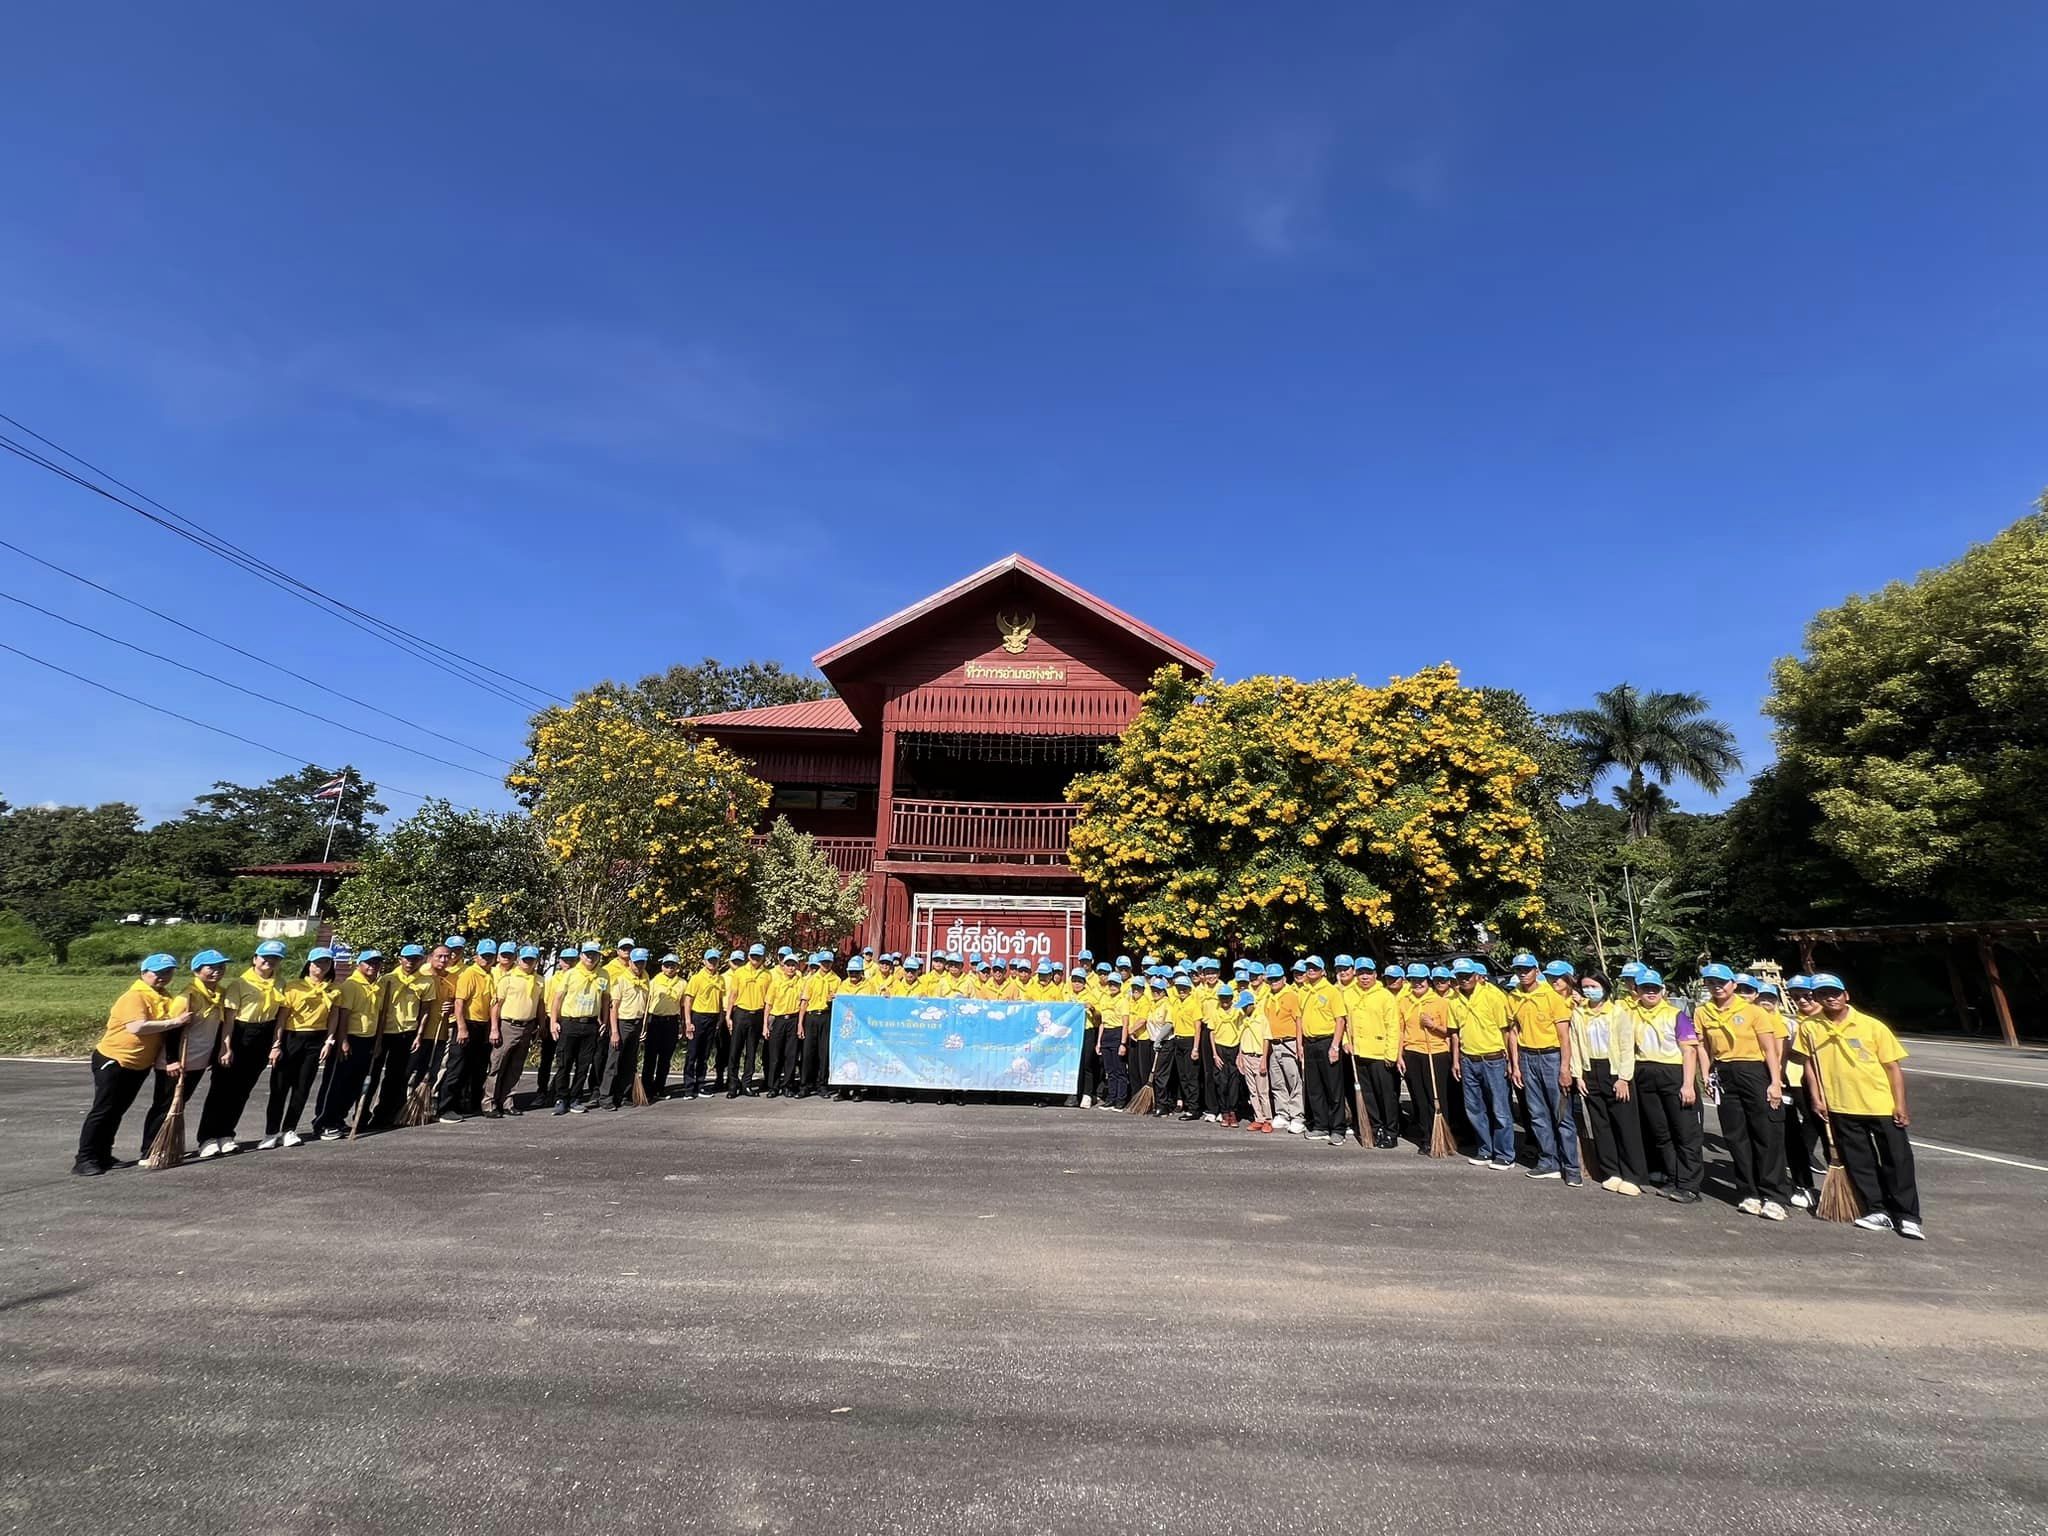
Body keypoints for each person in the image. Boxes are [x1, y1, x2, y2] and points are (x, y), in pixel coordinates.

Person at [1793, 974, 1923, 1239]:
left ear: (1846, 995)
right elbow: (1809, 1064)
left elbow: (1892, 1067)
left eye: (1834, 992)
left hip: (1880, 1105)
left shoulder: (1872, 1026)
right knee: (1859, 1162)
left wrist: (1900, 1104)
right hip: (1840, 1105)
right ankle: (1877, 1209)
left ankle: (1907, 1215)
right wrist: (1816, 1097)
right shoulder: (1810, 1027)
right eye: (1823, 994)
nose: (1830, 998)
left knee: (1897, 1160)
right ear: (1816, 998)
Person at [74, 954, 189, 1175]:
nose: (163, 976)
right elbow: (136, 1027)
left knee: (117, 1110)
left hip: (139, 1064)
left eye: (168, 972)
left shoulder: (164, 996)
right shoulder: (135, 996)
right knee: (103, 1109)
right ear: (144, 973)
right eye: (158, 972)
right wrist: (174, 1022)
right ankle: (84, 1158)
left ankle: (104, 1154)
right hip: (115, 1059)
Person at [1695, 964, 1791, 1220]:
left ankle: (1774, 1195)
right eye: (1711, 982)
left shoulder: (1753, 1011)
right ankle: (1749, 1191)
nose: (1717, 987)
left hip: (1753, 1071)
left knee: (1766, 1133)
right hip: (1724, 1072)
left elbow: (1770, 1049)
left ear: (1733, 985)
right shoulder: (1702, 1012)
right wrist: (1706, 1074)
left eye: (1721, 982)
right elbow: (1703, 1046)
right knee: (1736, 1134)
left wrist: (1775, 1082)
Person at [196, 940, 287, 1158]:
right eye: (265, 957)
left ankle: (227, 1134)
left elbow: (279, 1018)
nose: (269, 961)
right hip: (239, 1034)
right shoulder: (239, 984)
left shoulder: (281, 983)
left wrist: (276, 1044)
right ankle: (207, 1138)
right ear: (255, 958)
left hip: (263, 1035)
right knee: (221, 1090)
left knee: (242, 1091)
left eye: (275, 958)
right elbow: (229, 1020)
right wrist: (226, 1047)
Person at [1627, 969, 1705, 1203]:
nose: (1650, 992)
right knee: (1661, 1132)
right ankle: (1673, 1178)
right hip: (1645, 1072)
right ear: (1637, 990)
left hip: (1673, 1072)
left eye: (1654, 988)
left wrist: (1688, 1084)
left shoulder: (1675, 1014)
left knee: (1685, 1132)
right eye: (1645, 988)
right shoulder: (1631, 1014)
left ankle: (1689, 1185)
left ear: (1662, 990)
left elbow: (1689, 1051)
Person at [1566, 971, 1644, 1195]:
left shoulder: (1617, 1012)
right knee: (1601, 1125)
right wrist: (1578, 1075)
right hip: (1590, 1070)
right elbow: (1575, 1044)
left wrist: (1624, 1078)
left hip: (1615, 1071)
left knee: (1625, 1125)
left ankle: (1632, 1175)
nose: (1589, 990)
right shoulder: (1579, 1013)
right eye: (1585, 987)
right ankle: (1612, 1171)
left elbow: (1626, 1046)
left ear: (1604, 987)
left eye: (1593, 986)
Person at [1507, 954, 1582, 1185]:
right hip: (1527, 1057)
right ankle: (1548, 1161)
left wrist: (1564, 1068)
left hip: (1551, 1057)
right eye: (1519, 969)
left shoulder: (1552, 996)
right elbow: (1513, 1032)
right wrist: (1515, 1064)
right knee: (1537, 1114)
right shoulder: (1514, 996)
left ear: (1536, 971)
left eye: (1527, 969)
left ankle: (1571, 1168)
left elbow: (1564, 1037)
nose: (1523, 973)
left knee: (1561, 1114)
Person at [261, 949, 339, 1148]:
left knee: (302, 1088)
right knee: (279, 1088)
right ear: (309, 964)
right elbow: (282, 1018)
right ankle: (271, 1132)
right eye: (317, 962)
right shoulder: (293, 987)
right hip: (291, 1037)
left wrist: (329, 1041)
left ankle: (289, 1129)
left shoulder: (333, 990)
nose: (321, 967)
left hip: (316, 1039)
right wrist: (276, 1044)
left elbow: (333, 1017)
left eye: (326, 963)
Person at [1450, 958, 1516, 1169]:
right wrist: (1456, 1060)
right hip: (1468, 1059)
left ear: (1477, 976)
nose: (1464, 979)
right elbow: (1455, 1033)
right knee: (1474, 1108)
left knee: (1500, 1109)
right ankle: (1485, 1149)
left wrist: (1510, 1061)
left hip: (1493, 1059)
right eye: (1460, 976)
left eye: (1467, 975)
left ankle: (1505, 1153)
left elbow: (1506, 1030)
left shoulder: (1493, 996)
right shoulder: (1454, 999)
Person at [315, 949, 386, 1139]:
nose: (373, 966)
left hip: (368, 1039)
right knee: (336, 1083)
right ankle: (323, 1122)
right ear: (359, 964)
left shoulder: (378, 986)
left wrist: (378, 1041)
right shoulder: (351, 985)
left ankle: (338, 1119)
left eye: (377, 963)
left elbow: (379, 1015)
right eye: (369, 963)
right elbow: (344, 1015)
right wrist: (343, 1040)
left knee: (354, 1084)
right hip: (350, 1038)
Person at [1339, 957, 1403, 1148]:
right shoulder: (1349, 994)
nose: (1364, 977)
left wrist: (1390, 1054)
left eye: (1368, 973)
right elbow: (1343, 1022)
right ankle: (1376, 1128)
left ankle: (1391, 1131)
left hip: (1380, 1054)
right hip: (1359, 1053)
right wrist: (1345, 1042)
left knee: (1386, 1096)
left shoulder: (1385, 996)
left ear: (1375, 974)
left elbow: (1393, 1027)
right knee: (1368, 1096)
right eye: (1361, 973)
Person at [439, 938, 498, 1120]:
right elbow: (459, 1003)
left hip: (482, 1025)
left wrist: (492, 1028)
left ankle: (465, 1104)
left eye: (490, 956)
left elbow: (492, 1003)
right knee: (457, 1067)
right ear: (476, 956)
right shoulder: (469, 973)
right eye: (484, 956)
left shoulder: (490, 975)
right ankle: (445, 1107)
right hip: (467, 1023)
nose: (487, 959)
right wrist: (462, 1028)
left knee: (476, 1068)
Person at [1777, 976, 1823, 1208]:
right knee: (1798, 1129)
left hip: (1831, 1086)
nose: (1802, 1000)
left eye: (1807, 995)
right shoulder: (1796, 1022)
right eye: (1796, 997)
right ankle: (1802, 1181)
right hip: (1796, 1081)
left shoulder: (1826, 1020)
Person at [548, 943, 611, 1114]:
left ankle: (575, 1097)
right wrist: (553, 1022)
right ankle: (561, 1098)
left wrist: (604, 1021)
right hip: (570, 1022)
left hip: (590, 1024)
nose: (591, 958)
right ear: (581, 956)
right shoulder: (571, 974)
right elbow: (557, 999)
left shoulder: (603, 974)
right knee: (564, 1063)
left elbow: (605, 999)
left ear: (599, 956)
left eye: (594, 954)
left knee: (583, 1065)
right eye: (587, 954)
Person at [1398, 964, 1453, 1152]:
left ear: (1427, 980)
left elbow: (1449, 1031)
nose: (1417, 983)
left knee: (1436, 1097)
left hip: (1435, 1053)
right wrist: (1399, 1055)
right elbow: (1400, 1030)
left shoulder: (1440, 1002)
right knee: (1419, 1098)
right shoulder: (1404, 1002)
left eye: (1420, 979)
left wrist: (1432, 1025)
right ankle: (1427, 1136)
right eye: (1413, 979)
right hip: (1412, 1052)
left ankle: (1442, 1135)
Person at [486, 946, 547, 1117]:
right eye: (525, 959)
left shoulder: (539, 980)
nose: (528, 962)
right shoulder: (508, 978)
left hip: (527, 1026)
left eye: (531, 959)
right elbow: (496, 1006)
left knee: (516, 1067)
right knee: (497, 1065)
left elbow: (540, 1005)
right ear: (519, 959)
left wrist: (542, 1025)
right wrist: (494, 1029)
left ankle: (507, 1102)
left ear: (536, 961)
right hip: (508, 1025)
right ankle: (489, 1102)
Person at [601, 949, 652, 1109]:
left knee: (629, 1062)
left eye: (642, 962)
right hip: (623, 1022)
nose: (639, 966)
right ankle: (606, 1096)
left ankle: (623, 1094)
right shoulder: (622, 979)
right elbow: (614, 1007)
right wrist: (615, 1032)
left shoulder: (645, 978)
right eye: (636, 963)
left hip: (637, 1023)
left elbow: (646, 1004)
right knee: (614, 1061)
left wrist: (643, 1026)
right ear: (630, 962)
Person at [1263, 963, 1306, 1135]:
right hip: (1274, 1043)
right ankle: (1282, 1113)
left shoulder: (1291, 995)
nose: (1273, 982)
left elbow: (1298, 1021)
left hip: (1289, 1042)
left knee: (1294, 1081)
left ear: (1283, 979)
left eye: (1276, 979)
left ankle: (1297, 1116)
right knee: (1277, 1081)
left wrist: (1299, 1045)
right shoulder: (1268, 997)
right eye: (1271, 979)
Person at [726, 943, 772, 1097]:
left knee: (751, 1052)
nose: (755, 959)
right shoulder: (739, 972)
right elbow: (732, 995)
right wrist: (728, 1015)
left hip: (757, 1015)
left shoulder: (767, 975)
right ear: (748, 956)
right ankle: (733, 1084)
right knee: (735, 1050)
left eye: (758, 956)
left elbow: (768, 1000)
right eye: (753, 956)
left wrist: (765, 1022)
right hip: (741, 1013)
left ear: (763, 957)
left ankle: (746, 1084)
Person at [680, 949, 726, 1099]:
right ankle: (688, 1087)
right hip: (698, 1016)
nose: (712, 963)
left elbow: (720, 1000)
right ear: (704, 961)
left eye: (715, 960)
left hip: (713, 1017)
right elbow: (688, 1000)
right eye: (710, 960)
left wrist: (720, 1017)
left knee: (704, 1054)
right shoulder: (697, 978)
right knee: (692, 1053)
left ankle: (700, 1085)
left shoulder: (720, 979)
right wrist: (688, 1022)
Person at [642, 953, 686, 1102]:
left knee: (665, 1058)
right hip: (655, 1021)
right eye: (667, 965)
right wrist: (644, 1026)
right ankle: (646, 1089)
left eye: (673, 966)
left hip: (671, 1022)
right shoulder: (654, 981)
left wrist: (683, 1025)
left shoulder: (682, 983)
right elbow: (647, 1004)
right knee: (650, 1057)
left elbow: (682, 1005)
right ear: (662, 967)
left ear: (677, 967)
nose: (669, 968)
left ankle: (659, 1088)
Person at [762, 949, 804, 1097]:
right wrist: (765, 1025)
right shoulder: (776, 983)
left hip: (793, 1019)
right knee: (775, 1055)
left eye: (793, 965)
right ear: (783, 966)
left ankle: (787, 1085)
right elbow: (768, 1005)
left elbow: (803, 1003)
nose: (791, 968)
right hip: (778, 1020)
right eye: (788, 965)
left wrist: (800, 1024)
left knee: (791, 1055)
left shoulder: (801, 982)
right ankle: (773, 1086)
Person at [799, 951, 840, 1097]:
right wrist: (800, 1024)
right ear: (819, 963)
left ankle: (822, 1085)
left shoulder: (837, 980)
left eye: (828, 962)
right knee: (808, 1052)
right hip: (811, 1017)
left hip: (826, 1016)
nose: (826, 965)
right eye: (823, 962)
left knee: (824, 1053)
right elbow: (804, 1002)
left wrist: (835, 998)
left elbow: (841, 1003)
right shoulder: (811, 979)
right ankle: (805, 1085)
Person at [1234, 988, 1273, 1133]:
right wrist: (1240, 1056)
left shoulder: (1261, 1019)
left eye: (1245, 1006)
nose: (1244, 1009)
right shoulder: (1243, 1019)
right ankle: (1258, 1118)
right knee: (1252, 1090)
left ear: (1251, 1004)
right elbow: (1241, 1038)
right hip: (1246, 1055)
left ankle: (1268, 1119)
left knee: (1263, 1091)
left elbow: (1266, 1039)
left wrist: (1264, 1059)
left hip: (1258, 1056)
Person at [1097, 972, 1130, 1109]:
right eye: (1110, 984)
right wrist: (1099, 1042)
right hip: (1106, 1034)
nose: (1112, 986)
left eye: (1115, 984)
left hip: (1117, 1033)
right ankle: (1111, 1098)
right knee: (1109, 1070)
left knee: (1120, 1070)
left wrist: (1123, 1043)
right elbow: (1102, 1023)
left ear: (1120, 985)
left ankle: (1120, 1099)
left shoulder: (1123, 1000)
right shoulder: (1104, 998)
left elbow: (1125, 1024)